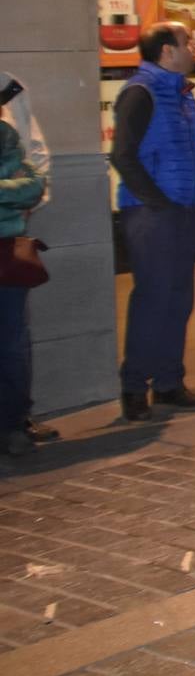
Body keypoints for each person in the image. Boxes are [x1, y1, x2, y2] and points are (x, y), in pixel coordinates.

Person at [110, 22, 195, 422]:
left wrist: (193, 197)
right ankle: (135, 388)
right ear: (167, 51)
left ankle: (169, 383)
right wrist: (157, 202)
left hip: (182, 212)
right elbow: (123, 155)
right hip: (153, 215)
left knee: (178, 301)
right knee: (153, 300)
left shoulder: (181, 94)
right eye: (189, 43)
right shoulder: (141, 92)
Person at [1, 92, 48, 456]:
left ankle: (14, 422)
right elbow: (24, 183)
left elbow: (33, 183)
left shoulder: (5, 134)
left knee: (14, 340)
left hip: (6, 249)